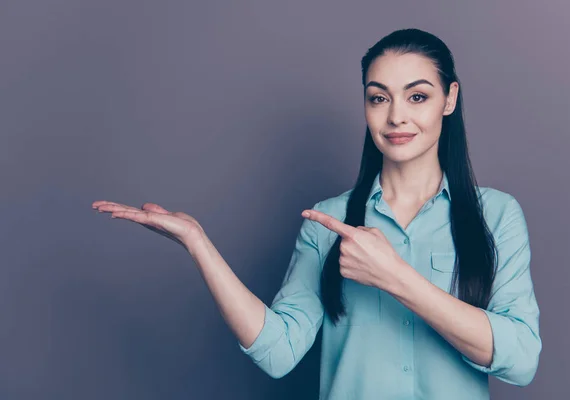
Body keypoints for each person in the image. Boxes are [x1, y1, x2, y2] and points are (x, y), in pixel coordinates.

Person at [92, 28, 541, 400]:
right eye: (378, 98)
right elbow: (278, 351)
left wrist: (394, 277)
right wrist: (198, 244)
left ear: (449, 98)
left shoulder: (497, 215)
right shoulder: (326, 223)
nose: (396, 117)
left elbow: (521, 361)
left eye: (417, 97)